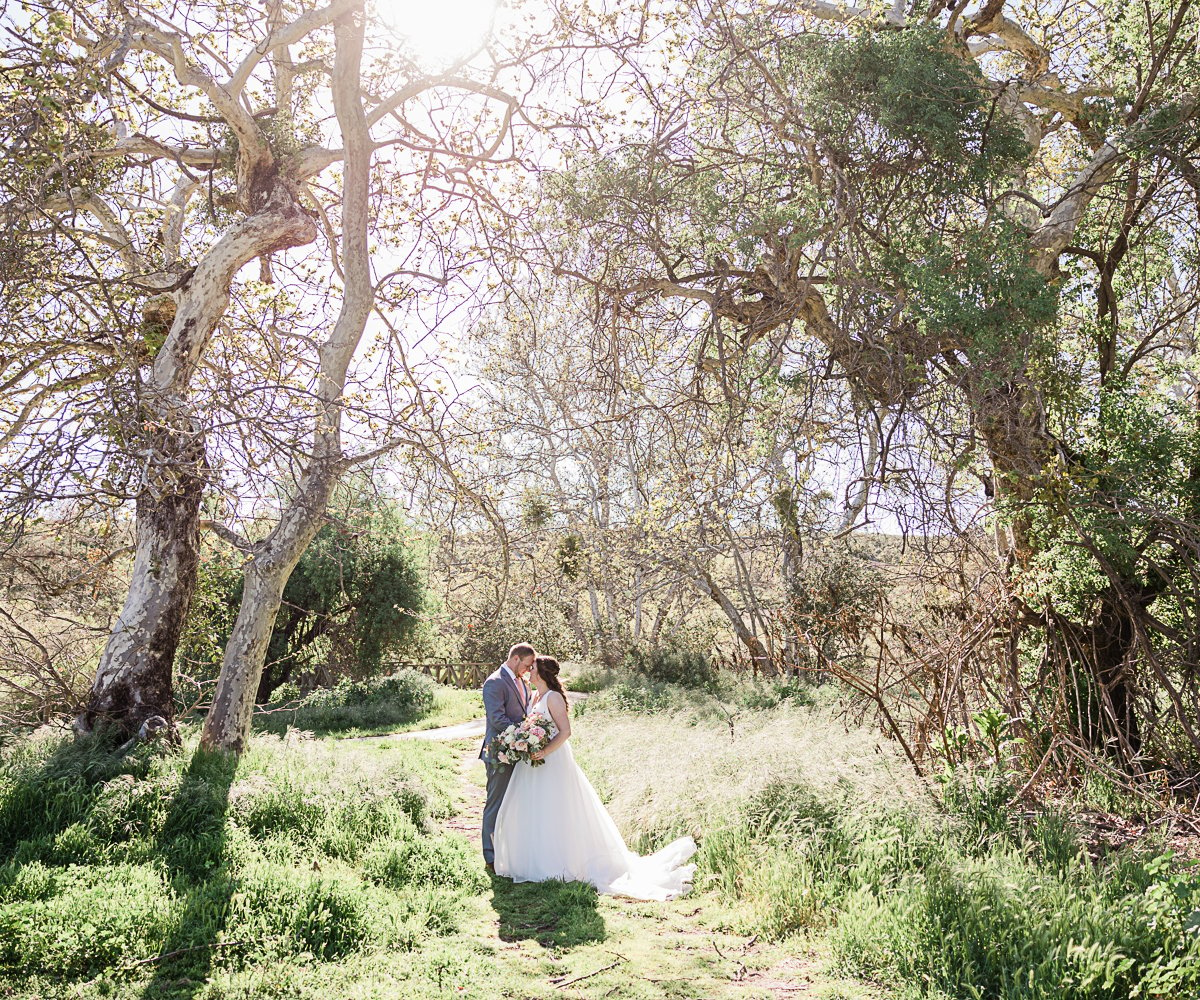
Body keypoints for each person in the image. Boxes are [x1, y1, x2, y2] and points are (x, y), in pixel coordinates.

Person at [493, 655, 697, 900]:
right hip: (534, 763)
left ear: (542, 673)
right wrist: (525, 742)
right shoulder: (535, 696)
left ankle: (561, 862)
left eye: (533, 668)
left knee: (555, 809)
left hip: (552, 761)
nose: (529, 670)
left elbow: (565, 731)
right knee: (535, 808)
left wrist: (543, 751)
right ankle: (534, 859)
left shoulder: (553, 698)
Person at [479, 643, 537, 870]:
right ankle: (491, 857)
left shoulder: (521, 681)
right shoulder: (495, 682)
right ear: (515, 659)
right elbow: (497, 719)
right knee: (495, 803)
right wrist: (526, 735)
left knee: (514, 804)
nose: (528, 669)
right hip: (499, 753)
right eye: (526, 664)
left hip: (518, 751)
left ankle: (511, 851)